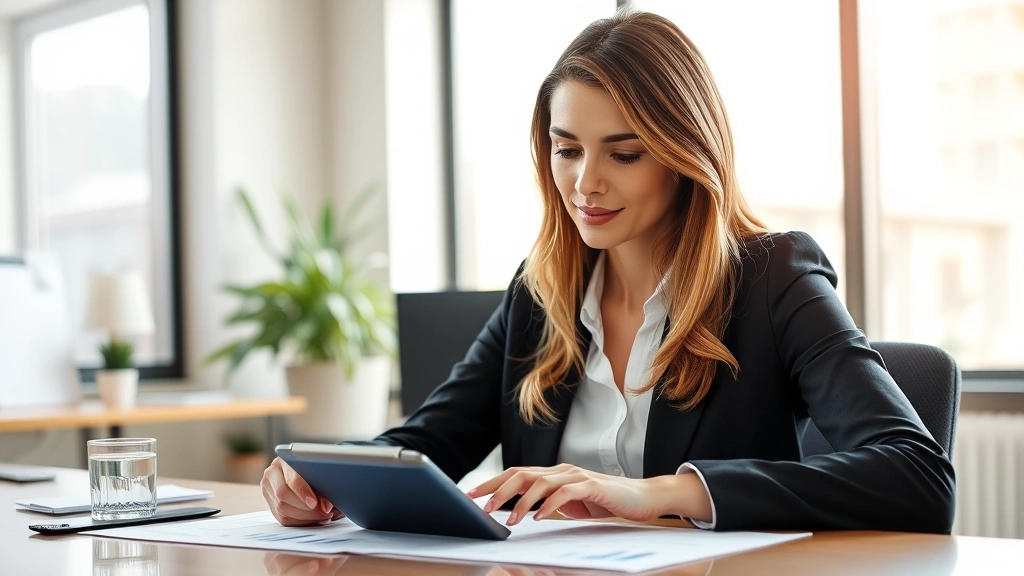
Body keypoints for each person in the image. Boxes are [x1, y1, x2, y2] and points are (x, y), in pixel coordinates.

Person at [261, 10, 955, 532]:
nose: (585, 183)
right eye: (567, 150)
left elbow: (918, 475)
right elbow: (427, 442)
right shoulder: (540, 293)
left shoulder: (774, 276)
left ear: (685, 155)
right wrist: (320, 476)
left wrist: (666, 492)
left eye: (623, 154)